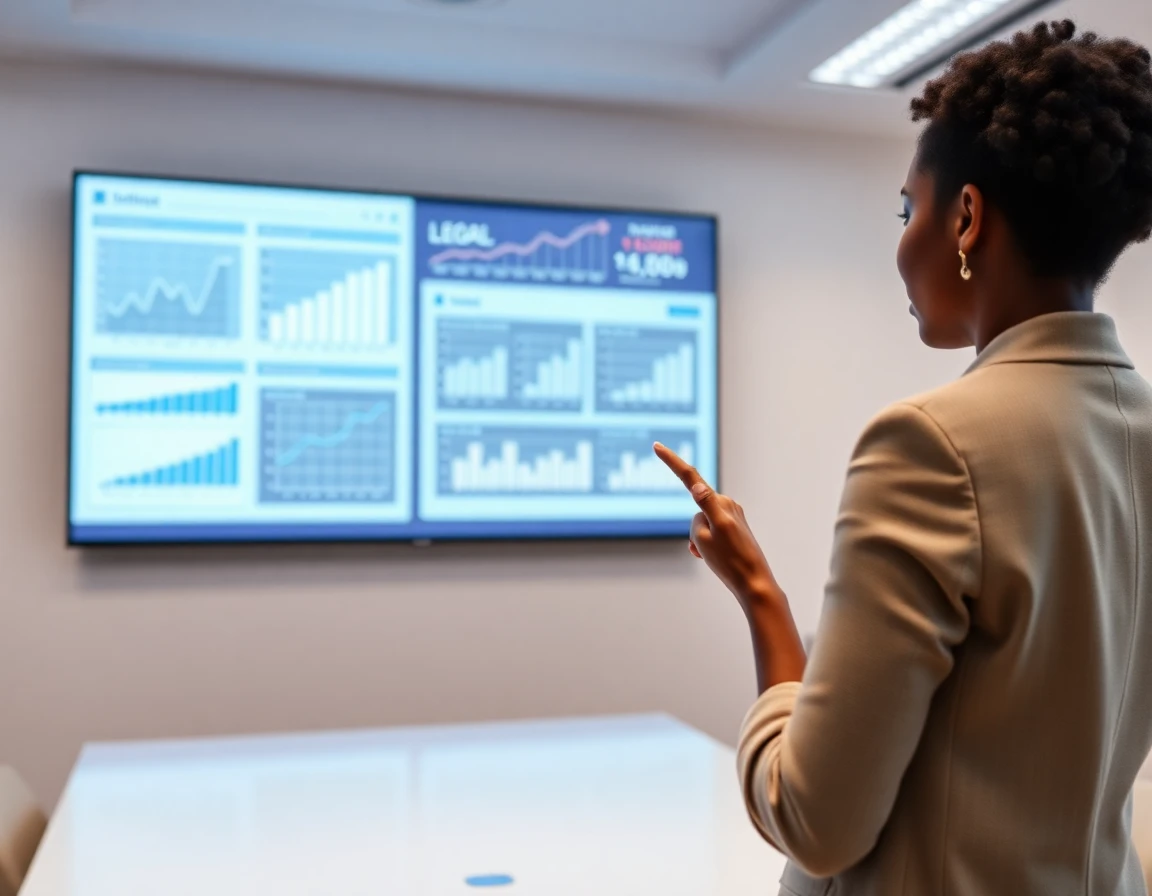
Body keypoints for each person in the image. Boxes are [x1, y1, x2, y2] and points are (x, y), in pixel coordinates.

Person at [656, 19, 1152, 896]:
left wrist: (761, 596)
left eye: (906, 210)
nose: (899, 243)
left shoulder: (933, 445)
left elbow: (817, 821)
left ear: (966, 218)